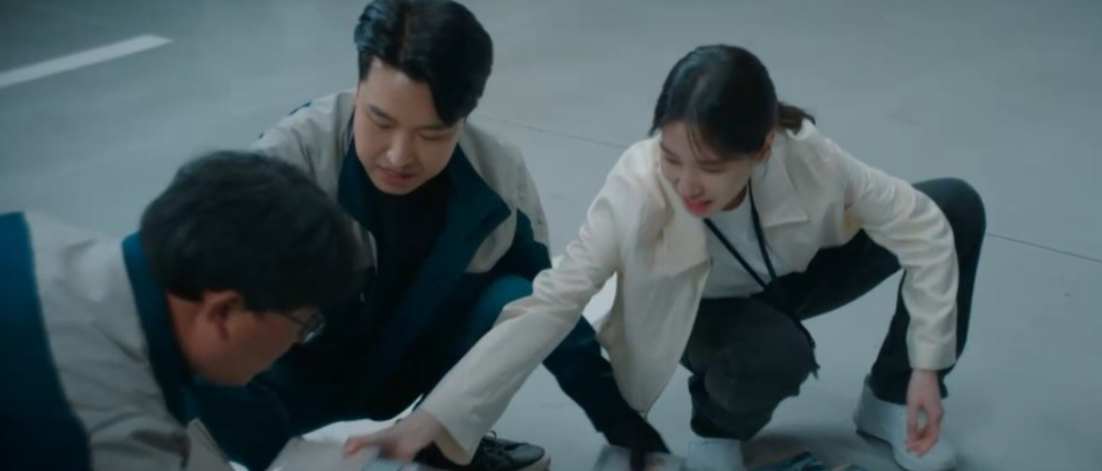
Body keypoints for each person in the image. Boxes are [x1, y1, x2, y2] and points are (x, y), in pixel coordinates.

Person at [347, 44, 986, 471]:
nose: (687, 183)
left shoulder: (807, 156)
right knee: (775, 353)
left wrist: (926, 365)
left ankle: (890, 399)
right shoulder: (636, 188)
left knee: (953, 205)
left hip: (790, 275)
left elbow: (919, 224)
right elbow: (550, 303)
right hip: (703, 306)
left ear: (764, 148)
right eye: (673, 157)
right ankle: (715, 429)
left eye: (712, 167)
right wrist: (436, 418)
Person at [191, 1, 655, 471]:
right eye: (380, 121)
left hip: (405, 372)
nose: (398, 156)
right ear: (358, 89)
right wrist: (281, 455)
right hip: (285, 386)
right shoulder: (288, 164)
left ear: (464, 117)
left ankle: (438, 448)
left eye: (431, 135)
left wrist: (624, 428)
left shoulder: (497, 179)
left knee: (517, 297)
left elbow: (549, 311)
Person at [0, 151, 370, 471]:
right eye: (303, 324)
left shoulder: (29, 232)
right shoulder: (114, 435)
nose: (295, 343)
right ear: (223, 312)